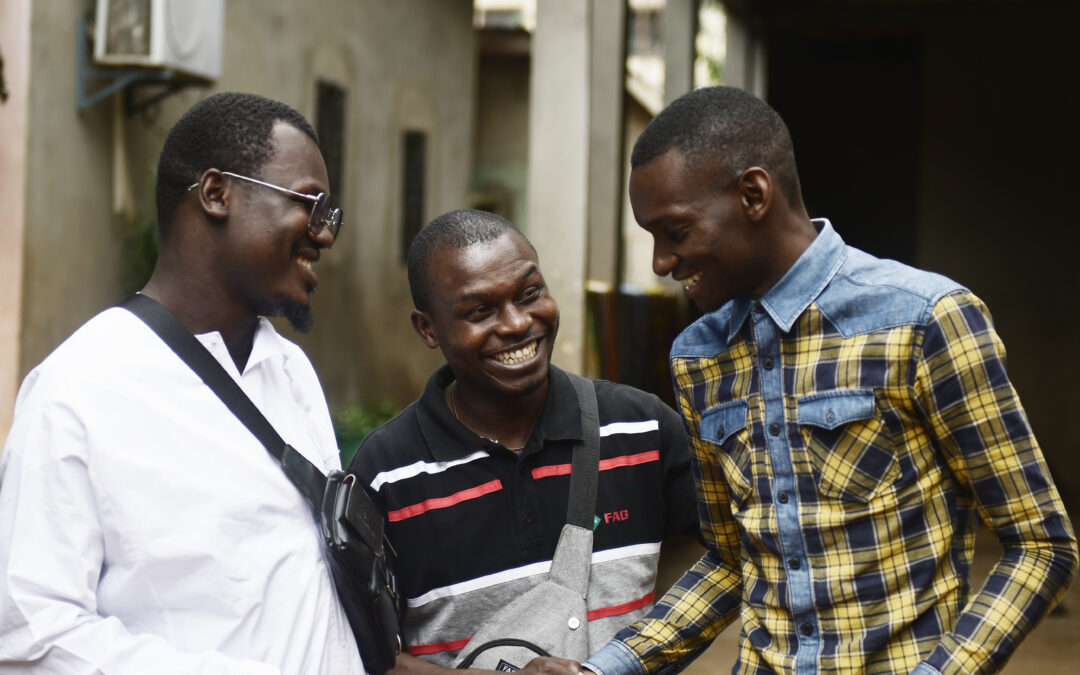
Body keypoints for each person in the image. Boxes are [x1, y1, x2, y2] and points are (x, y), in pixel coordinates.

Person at [584, 85, 1078, 675]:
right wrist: (605, 667)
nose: (661, 262)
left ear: (753, 194)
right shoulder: (698, 356)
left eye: (676, 231)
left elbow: (1041, 546)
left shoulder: (923, 319)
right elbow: (729, 560)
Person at [0, 92, 363, 673]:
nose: (324, 234)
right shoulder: (78, 389)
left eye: (329, 216)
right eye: (311, 205)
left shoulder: (290, 370)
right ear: (217, 193)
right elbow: (30, 636)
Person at [348, 209, 699, 674]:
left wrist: (631, 660)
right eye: (480, 311)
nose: (516, 324)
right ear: (427, 329)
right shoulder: (388, 473)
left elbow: (736, 562)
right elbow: (365, 656)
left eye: (529, 294)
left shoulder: (641, 430)